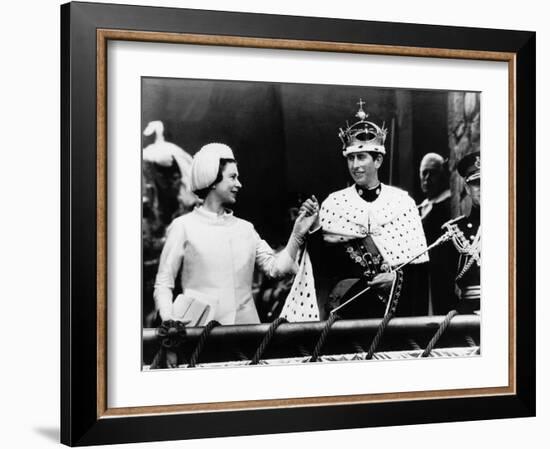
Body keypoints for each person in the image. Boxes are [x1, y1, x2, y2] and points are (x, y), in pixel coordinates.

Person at [153, 142, 318, 325]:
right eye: (232, 177)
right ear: (212, 179)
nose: (239, 184)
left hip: (245, 336)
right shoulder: (183, 226)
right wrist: (168, 318)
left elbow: (277, 269)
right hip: (198, 336)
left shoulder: (246, 228)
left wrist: (297, 234)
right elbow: (163, 283)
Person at [301, 100, 429, 319]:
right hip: (350, 308)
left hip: (394, 310)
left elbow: (420, 269)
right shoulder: (334, 203)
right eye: (350, 158)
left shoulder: (402, 202)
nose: (354, 165)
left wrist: (396, 280)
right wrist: (314, 227)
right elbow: (323, 268)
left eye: (361, 157)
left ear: (378, 160)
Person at [417, 153, 457, 315]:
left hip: (442, 275)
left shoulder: (447, 204)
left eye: (432, 173)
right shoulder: (421, 207)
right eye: (424, 173)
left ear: (443, 176)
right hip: (423, 275)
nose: (427, 178)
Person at [449, 151, 481, 314]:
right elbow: (444, 292)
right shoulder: (455, 232)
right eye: (477, 183)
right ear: (468, 188)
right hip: (469, 316)